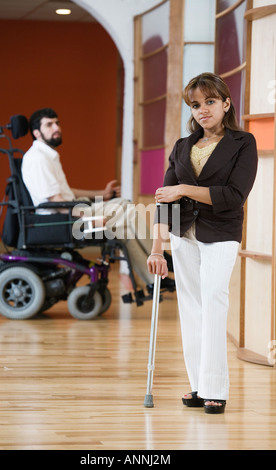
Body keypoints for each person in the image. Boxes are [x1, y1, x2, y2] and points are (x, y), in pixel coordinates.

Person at [147, 73, 258, 414]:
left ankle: (216, 389)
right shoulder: (182, 147)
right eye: (196, 104)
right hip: (183, 236)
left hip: (220, 233)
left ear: (226, 103)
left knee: (213, 302)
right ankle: (198, 386)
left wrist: (183, 189)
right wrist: (157, 247)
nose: (203, 110)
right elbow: (163, 199)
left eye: (210, 102)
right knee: (190, 310)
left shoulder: (243, 143)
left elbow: (233, 196)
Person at [21, 108, 174, 292]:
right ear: (37, 133)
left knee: (124, 227)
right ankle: (160, 256)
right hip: (61, 219)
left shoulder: (47, 156)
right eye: (49, 124)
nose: (56, 127)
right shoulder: (38, 159)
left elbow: (67, 192)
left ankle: (153, 280)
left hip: (68, 210)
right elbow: (57, 203)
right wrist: (88, 220)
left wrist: (102, 193)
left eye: (57, 123)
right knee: (126, 209)